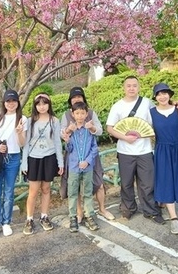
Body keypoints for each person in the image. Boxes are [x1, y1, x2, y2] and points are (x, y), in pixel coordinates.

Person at [106, 75, 162, 224]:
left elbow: (158, 117)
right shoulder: (117, 106)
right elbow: (110, 128)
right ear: (124, 88)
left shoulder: (147, 103)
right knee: (126, 182)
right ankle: (128, 208)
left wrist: (174, 105)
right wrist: (124, 137)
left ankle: (150, 210)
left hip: (144, 150)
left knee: (147, 182)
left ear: (139, 87)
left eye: (134, 85)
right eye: (128, 85)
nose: (131, 88)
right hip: (125, 151)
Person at [60, 87, 115, 222]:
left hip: (90, 154)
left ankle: (102, 209)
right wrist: (68, 130)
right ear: (70, 101)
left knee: (98, 182)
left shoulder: (90, 113)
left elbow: (100, 131)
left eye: (79, 97)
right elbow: (62, 135)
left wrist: (92, 127)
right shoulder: (67, 115)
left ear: (83, 98)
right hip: (73, 156)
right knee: (77, 187)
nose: (77, 99)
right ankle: (79, 213)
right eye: (74, 98)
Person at [149, 82, 178, 235]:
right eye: (159, 94)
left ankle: (163, 201)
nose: (162, 96)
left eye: (165, 93)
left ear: (170, 95)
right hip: (162, 150)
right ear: (155, 97)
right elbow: (147, 130)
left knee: (176, 179)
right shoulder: (151, 112)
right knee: (166, 180)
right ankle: (174, 219)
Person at [0, 90, 26, 238]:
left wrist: (20, 132)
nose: (11, 103)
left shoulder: (22, 119)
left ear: (17, 102)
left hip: (13, 157)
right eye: (8, 101)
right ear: (4, 103)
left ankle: (6, 222)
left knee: (9, 192)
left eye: (13, 100)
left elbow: (22, 144)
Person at [21, 93, 63, 235]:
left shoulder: (54, 121)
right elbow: (26, 144)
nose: (42, 106)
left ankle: (44, 216)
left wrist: (60, 162)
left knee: (46, 189)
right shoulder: (30, 121)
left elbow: (58, 143)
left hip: (49, 158)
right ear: (35, 106)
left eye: (44, 103)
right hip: (33, 158)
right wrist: (24, 163)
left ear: (49, 104)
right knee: (33, 191)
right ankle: (29, 219)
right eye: (39, 104)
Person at [65, 102, 99, 232]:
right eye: (77, 113)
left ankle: (89, 215)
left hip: (87, 167)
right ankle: (73, 217)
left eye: (82, 113)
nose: (80, 116)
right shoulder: (71, 130)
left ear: (86, 114)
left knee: (87, 193)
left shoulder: (89, 129)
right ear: (72, 114)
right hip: (74, 166)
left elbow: (94, 148)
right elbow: (69, 149)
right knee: (73, 192)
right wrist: (67, 140)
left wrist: (88, 161)